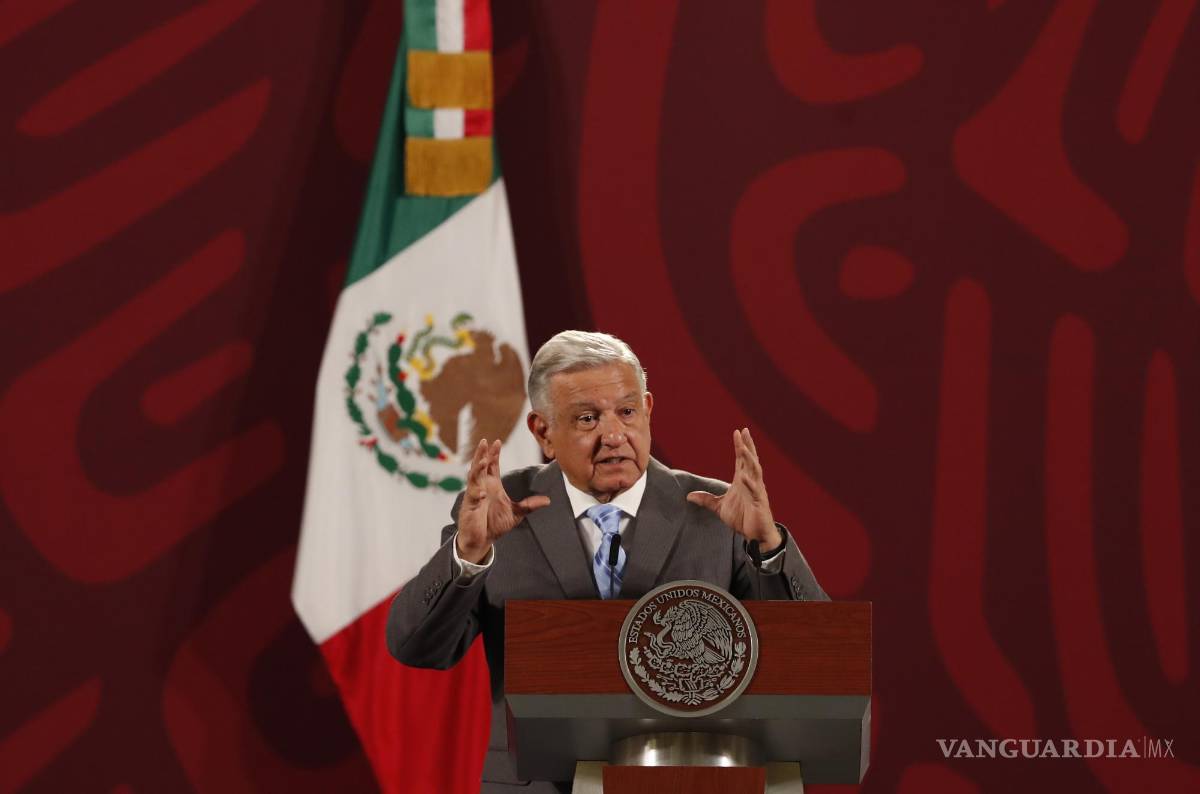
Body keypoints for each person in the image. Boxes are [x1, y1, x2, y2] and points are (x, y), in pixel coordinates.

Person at [386, 330, 828, 792]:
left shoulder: (718, 511)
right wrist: (468, 554)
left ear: (649, 411)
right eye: (587, 418)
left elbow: (815, 660)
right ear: (543, 432)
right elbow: (415, 646)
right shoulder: (500, 511)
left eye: (627, 411)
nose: (614, 435)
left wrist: (768, 545)